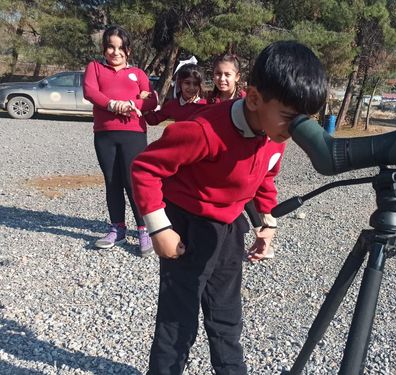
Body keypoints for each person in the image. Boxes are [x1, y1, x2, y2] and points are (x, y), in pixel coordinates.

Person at [130, 40, 327, 375]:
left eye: (305, 119)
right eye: (291, 118)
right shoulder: (204, 131)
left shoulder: (273, 134)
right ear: (252, 98)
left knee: (226, 318)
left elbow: (265, 177)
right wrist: (159, 227)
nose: (298, 129)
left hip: (229, 228)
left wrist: (267, 223)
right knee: (178, 322)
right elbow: (145, 168)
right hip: (187, 227)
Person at [83, 25, 158, 257]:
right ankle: (118, 228)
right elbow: (90, 91)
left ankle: (144, 229)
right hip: (104, 134)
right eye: (110, 47)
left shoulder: (138, 74)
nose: (115, 52)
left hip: (133, 134)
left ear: (128, 50)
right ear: (104, 49)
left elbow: (152, 99)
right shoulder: (95, 68)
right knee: (112, 180)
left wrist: (135, 104)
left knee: (132, 181)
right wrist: (114, 104)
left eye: (120, 48)